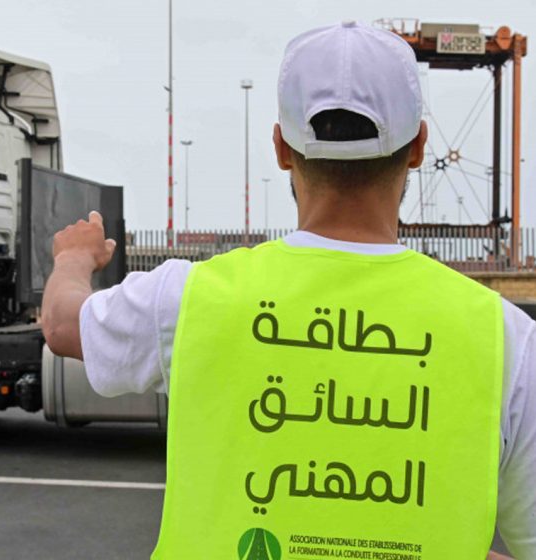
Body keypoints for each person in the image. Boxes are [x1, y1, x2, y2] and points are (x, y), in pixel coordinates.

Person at [42, 22, 533, 560]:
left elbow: (64, 325)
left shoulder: (192, 298)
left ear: (280, 147)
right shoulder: (506, 341)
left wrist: (72, 259)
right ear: (417, 147)